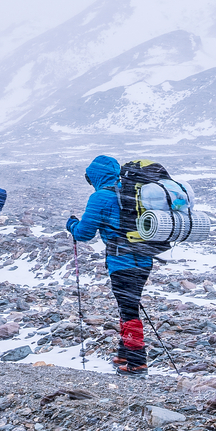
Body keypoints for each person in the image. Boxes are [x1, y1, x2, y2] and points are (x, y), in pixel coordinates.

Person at [66, 155, 154, 377]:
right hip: (144, 260)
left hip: (122, 263)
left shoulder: (101, 198)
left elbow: (84, 233)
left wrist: (72, 225)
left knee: (128, 310)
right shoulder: (132, 193)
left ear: (95, 176)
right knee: (129, 307)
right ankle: (124, 354)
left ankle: (136, 362)